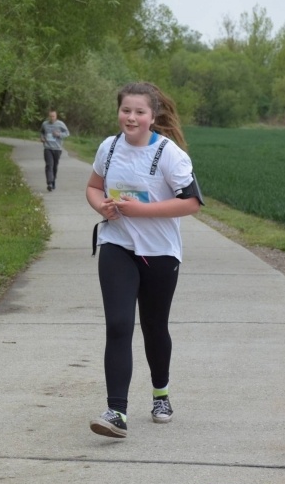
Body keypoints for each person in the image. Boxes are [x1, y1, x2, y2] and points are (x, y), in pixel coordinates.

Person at [85, 82, 203, 439]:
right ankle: (116, 412)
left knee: (154, 327)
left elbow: (192, 202)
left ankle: (161, 393)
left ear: (153, 116)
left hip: (160, 253)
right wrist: (100, 205)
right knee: (119, 325)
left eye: (139, 112)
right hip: (116, 245)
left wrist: (143, 210)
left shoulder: (170, 154)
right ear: (118, 112)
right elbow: (93, 187)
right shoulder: (109, 147)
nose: (131, 117)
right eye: (126, 110)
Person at [40, 109, 70, 192]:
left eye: (53, 116)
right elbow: (42, 132)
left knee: (54, 166)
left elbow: (67, 133)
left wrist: (59, 134)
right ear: (48, 116)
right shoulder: (45, 124)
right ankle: (49, 183)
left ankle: (53, 181)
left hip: (57, 149)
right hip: (47, 148)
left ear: (56, 116)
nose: (52, 118)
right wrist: (42, 138)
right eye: (50, 116)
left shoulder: (60, 124)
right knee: (49, 165)